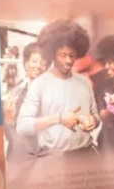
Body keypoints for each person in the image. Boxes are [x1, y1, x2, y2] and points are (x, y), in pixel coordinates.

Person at [16, 20, 99, 155]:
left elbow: (95, 115)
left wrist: (93, 121)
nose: (68, 61)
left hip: (86, 153)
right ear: (52, 54)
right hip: (53, 157)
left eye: (72, 55)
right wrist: (59, 118)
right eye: (62, 55)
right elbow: (22, 126)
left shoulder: (84, 83)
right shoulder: (39, 84)